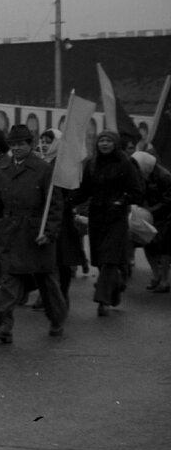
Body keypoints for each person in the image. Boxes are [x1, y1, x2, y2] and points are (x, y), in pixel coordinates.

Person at [0, 125, 68, 343]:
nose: (17, 148)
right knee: (9, 280)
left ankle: (57, 319)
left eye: (21, 144)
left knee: (46, 281)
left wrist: (49, 232)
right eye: (13, 144)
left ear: (30, 145)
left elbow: (55, 204)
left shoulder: (43, 169)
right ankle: (4, 325)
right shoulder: (3, 170)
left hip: (36, 233)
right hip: (11, 231)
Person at [72, 130, 144, 316]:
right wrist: (67, 203)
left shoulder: (125, 164)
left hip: (116, 217)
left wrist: (121, 201)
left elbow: (137, 191)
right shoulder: (92, 164)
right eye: (101, 140)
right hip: (97, 216)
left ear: (115, 143)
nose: (104, 144)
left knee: (109, 258)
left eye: (108, 141)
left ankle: (102, 301)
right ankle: (117, 283)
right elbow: (84, 191)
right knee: (101, 261)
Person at [133, 151, 171, 292]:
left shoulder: (164, 176)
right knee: (148, 245)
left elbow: (168, 200)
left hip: (166, 217)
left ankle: (165, 280)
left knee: (165, 248)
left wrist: (151, 211)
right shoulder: (141, 175)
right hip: (148, 215)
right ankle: (156, 275)